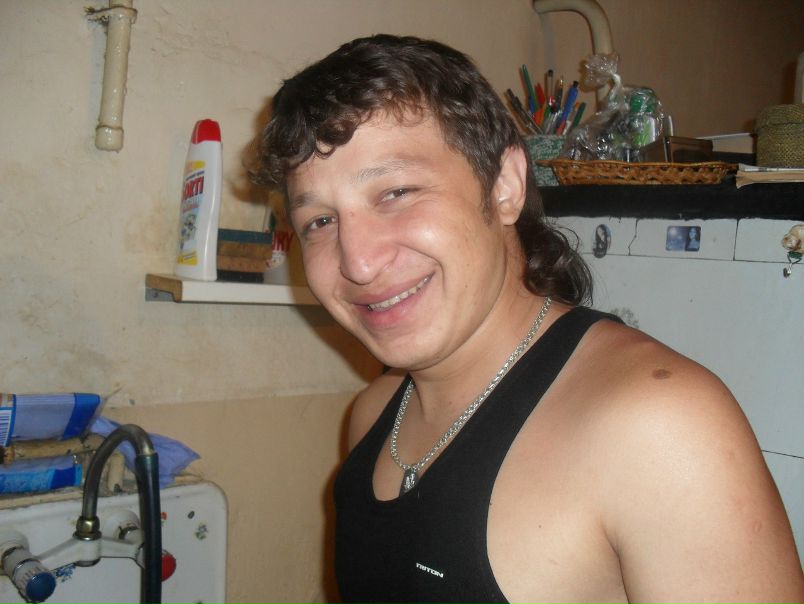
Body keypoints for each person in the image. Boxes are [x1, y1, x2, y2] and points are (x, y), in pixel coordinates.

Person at [253, 34, 803, 603]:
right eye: (320, 222)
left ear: (505, 186)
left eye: (396, 192)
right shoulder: (373, 416)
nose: (358, 263)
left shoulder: (660, 429)